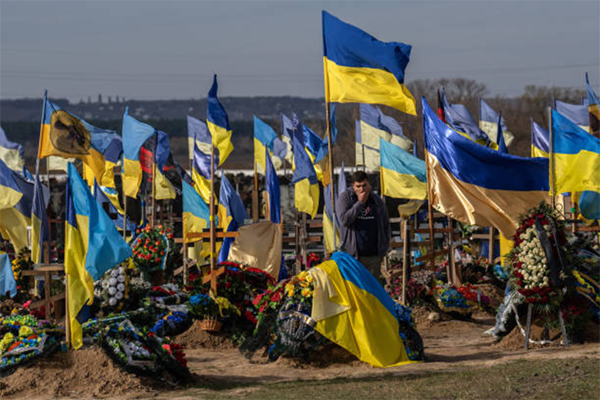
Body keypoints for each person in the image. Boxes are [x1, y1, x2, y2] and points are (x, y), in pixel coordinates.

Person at [336, 171, 390, 279]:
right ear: (353, 186)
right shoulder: (346, 198)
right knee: (355, 290)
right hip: (353, 256)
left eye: (364, 185)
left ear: (369, 184)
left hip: (373, 256)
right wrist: (360, 203)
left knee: (372, 291)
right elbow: (344, 220)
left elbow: (385, 224)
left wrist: (384, 248)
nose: (362, 189)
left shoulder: (376, 200)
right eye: (358, 186)